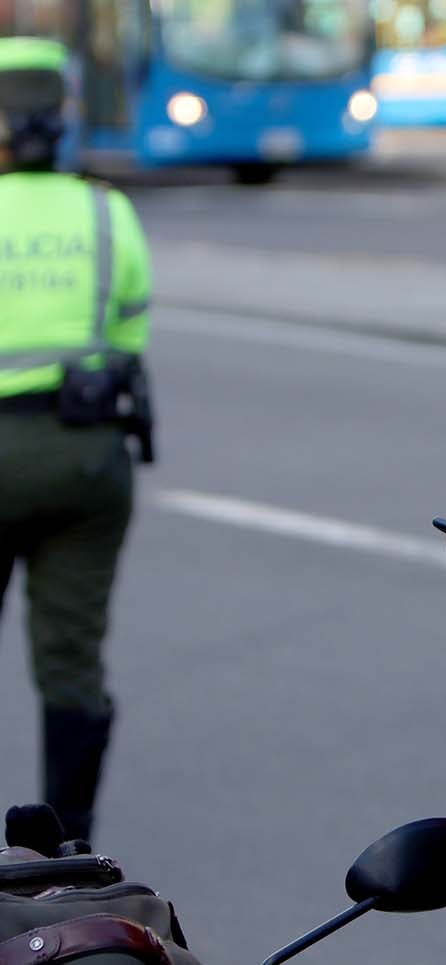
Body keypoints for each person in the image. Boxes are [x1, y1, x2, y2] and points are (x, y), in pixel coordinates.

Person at [0, 37, 155, 844]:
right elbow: (129, 331)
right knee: (73, 659)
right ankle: (63, 844)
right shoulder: (106, 211)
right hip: (87, 456)